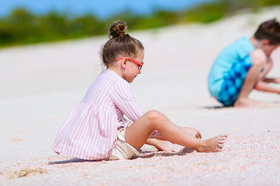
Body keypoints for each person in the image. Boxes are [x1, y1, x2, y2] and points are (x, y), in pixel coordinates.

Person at [52, 21, 227, 161]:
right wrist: (181, 131)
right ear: (124, 63)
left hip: (98, 141)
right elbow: (143, 119)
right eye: (140, 65)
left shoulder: (103, 78)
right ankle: (201, 145)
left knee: (133, 123)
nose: (140, 71)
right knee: (154, 117)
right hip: (110, 148)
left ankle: (160, 142)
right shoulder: (117, 84)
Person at [207, 18, 280, 108]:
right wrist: (278, 91)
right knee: (262, 57)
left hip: (225, 91)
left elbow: (250, 78)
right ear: (265, 43)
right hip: (222, 90)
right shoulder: (247, 48)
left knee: (266, 60)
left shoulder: (245, 45)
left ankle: (242, 99)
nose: (271, 53)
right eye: (272, 49)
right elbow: (257, 84)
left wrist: (274, 80)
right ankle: (243, 100)